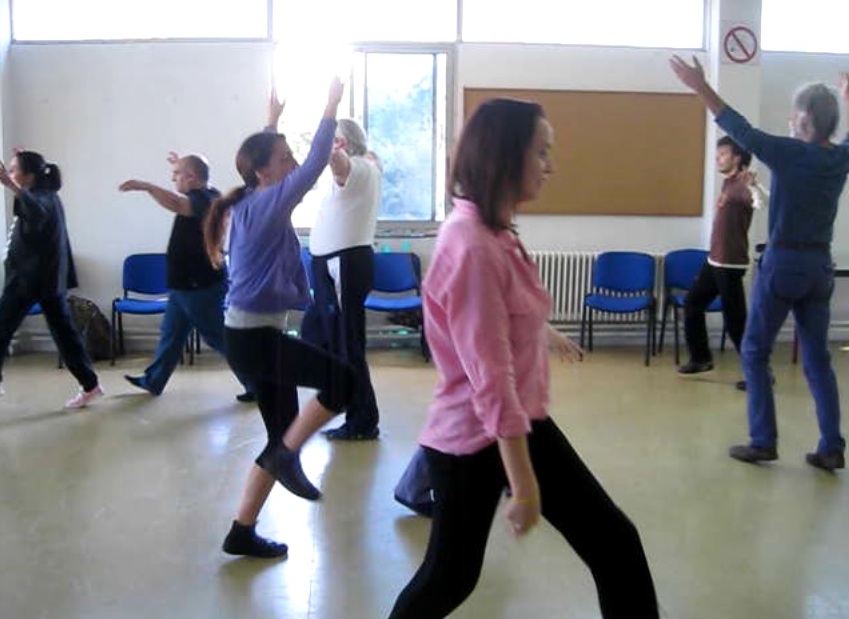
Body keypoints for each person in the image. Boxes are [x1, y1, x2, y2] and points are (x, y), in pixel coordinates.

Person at [386, 99, 659, 619]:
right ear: (505, 157)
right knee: (450, 578)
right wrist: (525, 482)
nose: (549, 166)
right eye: (541, 152)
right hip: (477, 437)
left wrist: (541, 330)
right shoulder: (472, 244)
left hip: (515, 423)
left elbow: (498, 314)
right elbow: (489, 375)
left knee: (614, 543)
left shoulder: (493, 230)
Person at [670, 56, 848, 472]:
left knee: (754, 350)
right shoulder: (839, 158)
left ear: (804, 120)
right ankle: (831, 445)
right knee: (818, 359)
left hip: (784, 262)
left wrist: (701, 87)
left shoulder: (790, 153)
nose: (789, 120)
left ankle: (763, 440)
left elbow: (740, 129)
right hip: (820, 266)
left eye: (794, 115)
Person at [203, 79, 356, 558]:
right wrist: (330, 105)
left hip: (251, 334)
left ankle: (242, 531)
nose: (292, 164)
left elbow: (269, 162)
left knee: (279, 434)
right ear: (264, 173)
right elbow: (313, 165)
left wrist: (271, 123)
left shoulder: (253, 200)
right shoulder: (267, 204)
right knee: (344, 382)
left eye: (290, 156)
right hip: (254, 338)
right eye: (283, 158)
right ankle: (288, 457)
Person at [118, 153, 254, 401]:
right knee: (171, 336)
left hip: (198, 287)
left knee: (218, 337)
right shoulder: (207, 194)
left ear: (191, 177)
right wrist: (182, 165)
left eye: (177, 174)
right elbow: (190, 184)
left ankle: (257, 384)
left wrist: (146, 186)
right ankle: (153, 380)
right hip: (184, 287)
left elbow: (177, 203)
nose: (173, 179)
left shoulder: (204, 200)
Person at [0, 150, 104, 408]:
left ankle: (90, 385)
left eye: (14, 169)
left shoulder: (45, 198)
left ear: (29, 176)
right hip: (41, 279)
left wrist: (10, 184)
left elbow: (36, 211)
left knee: (5, 328)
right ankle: (90, 385)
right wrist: (16, 179)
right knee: (64, 333)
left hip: (31, 280)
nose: (11, 173)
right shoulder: (42, 195)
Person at [303, 118, 383, 440]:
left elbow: (340, 165)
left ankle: (362, 420)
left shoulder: (361, 168)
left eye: (333, 139)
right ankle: (340, 397)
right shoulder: (361, 169)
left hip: (344, 265)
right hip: (331, 265)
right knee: (316, 335)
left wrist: (331, 150)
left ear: (344, 143)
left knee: (346, 344)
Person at [678, 137, 764, 390]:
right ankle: (701, 358)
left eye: (723, 154)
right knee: (693, 303)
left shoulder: (742, 184)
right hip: (715, 260)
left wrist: (755, 186)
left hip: (730, 264)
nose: (718, 158)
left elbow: (761, 203)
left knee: (736, 322)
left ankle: (759, 374)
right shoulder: (729, 183)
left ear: (737, 158)